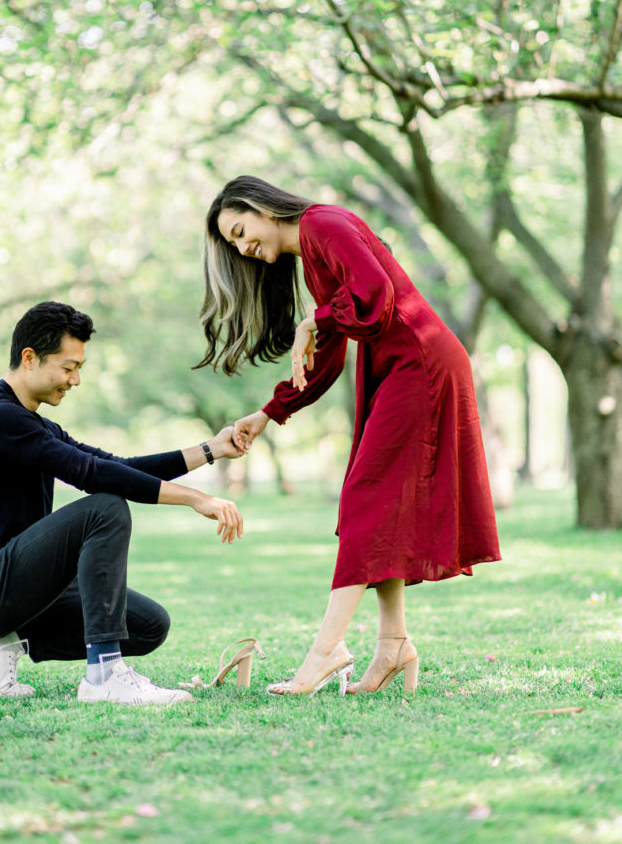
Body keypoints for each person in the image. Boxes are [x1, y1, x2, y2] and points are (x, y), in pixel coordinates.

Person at [198, 176, 501, 697]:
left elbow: (375, 297)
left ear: (263, 208)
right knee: (381, 505)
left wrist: (310, 323)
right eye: (234, 244)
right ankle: (393, 644)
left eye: (241, 231)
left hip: (419, 363)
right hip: (398, 368)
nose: (244, 248)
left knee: (366, 497)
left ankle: (327, 650)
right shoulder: (313, 251)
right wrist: (268, 413)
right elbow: (333, 355)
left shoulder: (323, 224)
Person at [0, 301, 246, 707]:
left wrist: (211, 449)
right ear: (29, 358)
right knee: (105, 508)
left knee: (148, 625)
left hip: (17, 583)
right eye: (68, 367)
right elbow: (93, 476)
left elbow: (114, 466)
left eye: (78, 368)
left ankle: (6, 642)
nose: (76, 380)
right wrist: (195, 499)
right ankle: (103, 676)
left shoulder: (34, 424)